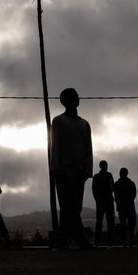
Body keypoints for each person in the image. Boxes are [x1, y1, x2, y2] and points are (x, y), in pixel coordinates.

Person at [50, 88, 93, 250]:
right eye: (73, 96)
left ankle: (62, 240)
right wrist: (56, 168)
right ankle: (81, 241)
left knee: (74, 208)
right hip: (64, 171)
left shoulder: (84, 124)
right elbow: (55, 146)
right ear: (65, 101)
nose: (77, 98)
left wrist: (87, 170)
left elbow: (88, 148)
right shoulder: (59, 121)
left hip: (79, 172)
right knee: (69, 208)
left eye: (76, 95)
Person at [91, 160, 115, 247]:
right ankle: (110, 242)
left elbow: (94, 190)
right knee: (110, 222)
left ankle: (97, 242)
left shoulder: (96, 176)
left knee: (99, 222)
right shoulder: (109, 175)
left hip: (101, 201)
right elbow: (112, 187)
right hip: (108, 200)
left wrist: (97, 199)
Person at [114, 167, 137, 248]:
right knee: (131, 225)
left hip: (122, 207)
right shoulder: (131, 183)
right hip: (129, 206)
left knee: (123, 225)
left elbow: (116, 196)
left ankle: (124, 242)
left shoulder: (117, 184)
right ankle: (130, 241)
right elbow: (134, 194)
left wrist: (119, 203)